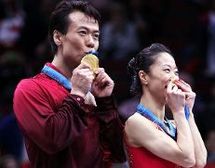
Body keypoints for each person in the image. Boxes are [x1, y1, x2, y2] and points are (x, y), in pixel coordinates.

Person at [13, 1, 126, 168]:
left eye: (96, 36)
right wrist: (78, 95)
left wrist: (105, 103)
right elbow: (52, 140)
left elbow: (119, 154)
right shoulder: (30, 89)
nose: (91, 43)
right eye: (83, 33)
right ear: (58, 37)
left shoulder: (94, 90)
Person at [124, 43, 207, 168]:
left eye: (176, 72)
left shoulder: (175, 124)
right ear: (144, 76)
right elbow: (187, 159)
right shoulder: (136, 123)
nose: (174, 78)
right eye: (167, 70)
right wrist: (179, 111)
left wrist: (188, 111)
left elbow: (199, 162)